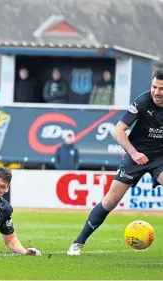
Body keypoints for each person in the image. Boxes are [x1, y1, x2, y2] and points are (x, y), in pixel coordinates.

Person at [67, 69, 163, 256]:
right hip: (136, 155)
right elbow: (118, 131)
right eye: (154, 87)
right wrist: (134, 153)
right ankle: (78, 243)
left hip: (160, 157)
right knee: (111, 200)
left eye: (161, 89)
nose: (156, 92)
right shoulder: (142, 102)